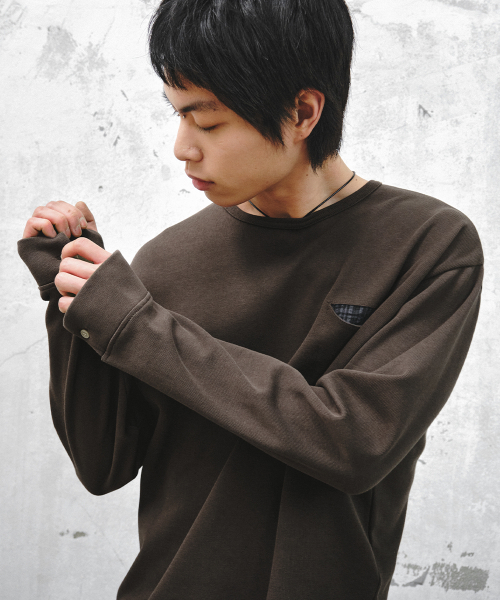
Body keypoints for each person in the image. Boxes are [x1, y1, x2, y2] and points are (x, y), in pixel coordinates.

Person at [17, 0, 484, 598]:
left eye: (208, 123)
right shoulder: (166, 261)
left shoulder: (428, 246)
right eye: (178, 115)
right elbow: (102, 464)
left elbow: (353, 443)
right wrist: (70, 298)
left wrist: (137, 324)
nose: (183, 147)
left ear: (302, 112)